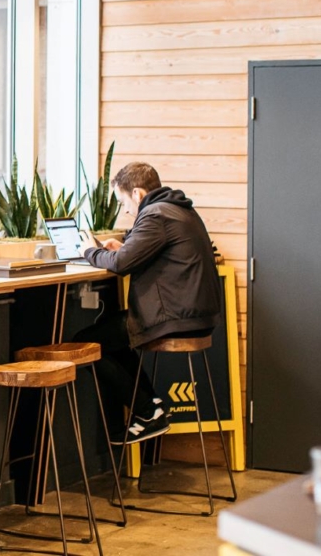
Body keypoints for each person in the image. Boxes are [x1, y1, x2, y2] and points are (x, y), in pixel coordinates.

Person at [76, 161, 221, 444]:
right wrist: (125, 247)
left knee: (88, 343)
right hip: (196, 315)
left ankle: (147, 411)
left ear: (138, 194)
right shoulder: (179, 209)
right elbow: (138, 252)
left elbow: (120, 264)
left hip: (175, 318)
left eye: (123, 202)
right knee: (114, 334)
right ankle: (150, 410)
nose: (126, 211)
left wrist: (88, 251)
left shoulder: (154, 215)